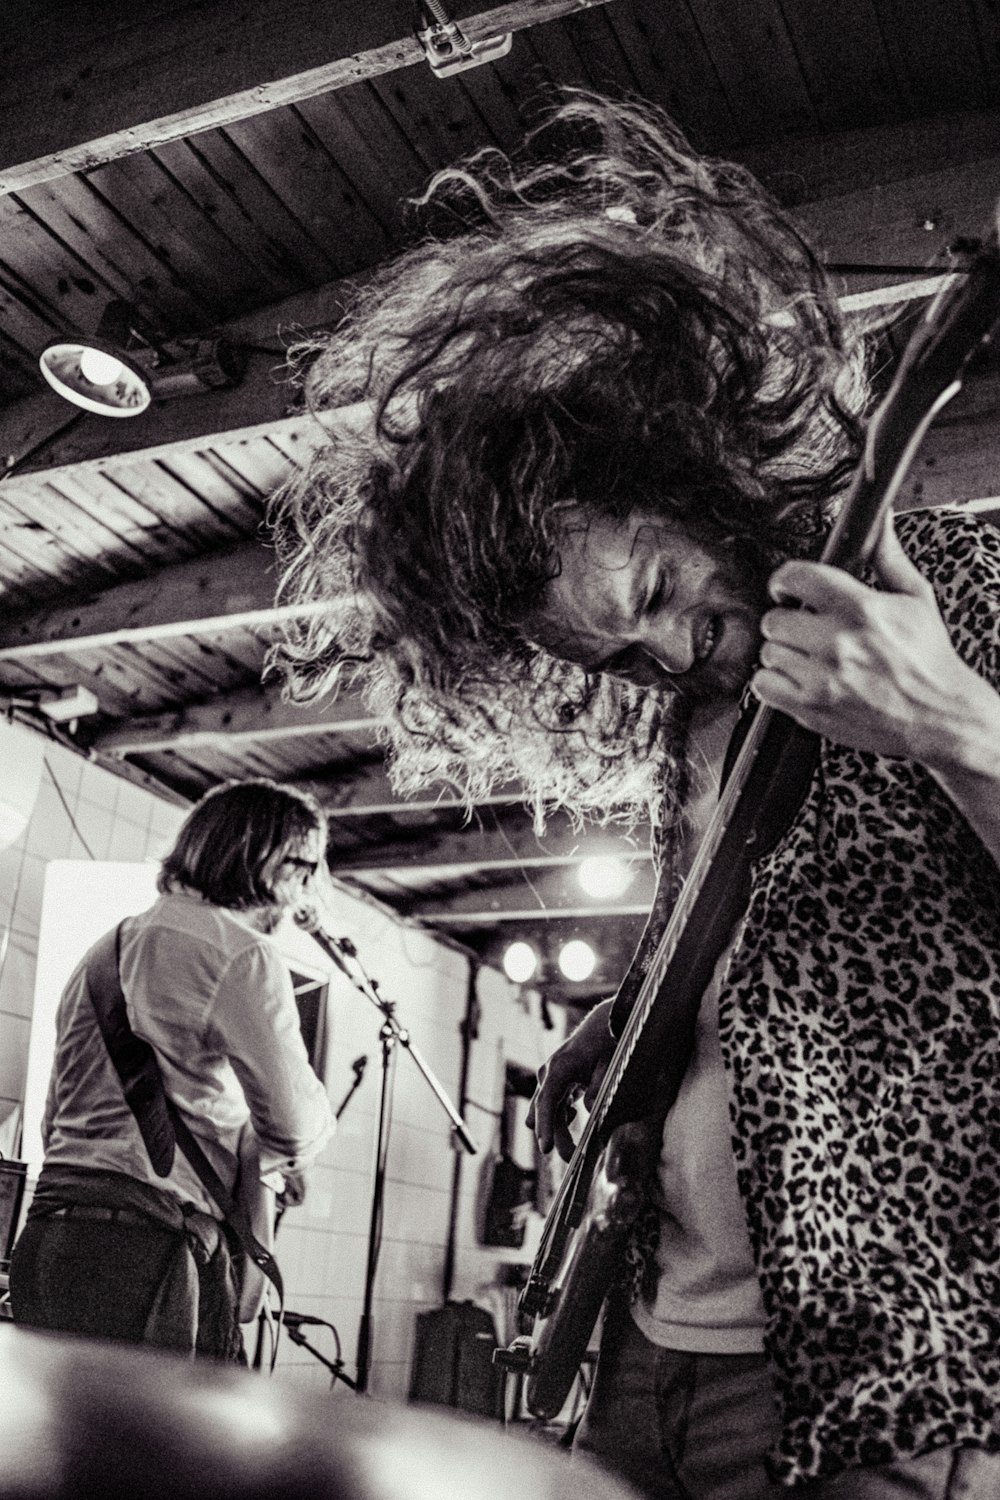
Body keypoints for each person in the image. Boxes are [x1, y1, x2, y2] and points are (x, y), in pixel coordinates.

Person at [266, 93, 1000, 1497]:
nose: (665, 653)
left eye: (658, 594)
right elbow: (778, 955)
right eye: (612, 653)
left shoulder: (958, 593)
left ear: (701, 482)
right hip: (650, 1345)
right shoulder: (700, 724)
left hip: (891, 1369)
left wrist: (954, 720)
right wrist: (637, 1021)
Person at [10, 778, 335, 1362]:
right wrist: (280, 1148)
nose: (306, 889)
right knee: (149, 1451)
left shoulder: (102, 951)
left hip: (49, 1235)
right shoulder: (241, 955)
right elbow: (292, 1126)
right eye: (305, 867)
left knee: (50, 1446)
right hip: (144, 1252)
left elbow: (53, 1117)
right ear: (269, 863)